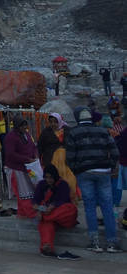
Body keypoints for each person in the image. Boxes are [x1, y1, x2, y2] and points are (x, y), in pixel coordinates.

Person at [65, 107, 123, 253]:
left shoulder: (73, 133)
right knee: (107, 206)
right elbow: (115, 152)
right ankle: (112, 243)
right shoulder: (103, 131)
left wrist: (76, 170)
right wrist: (110, 166)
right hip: (103, 171)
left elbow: (70, 157)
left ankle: (95, 242)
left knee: (90, 206)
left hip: (84, 172)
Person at [32, 165, 79, 259]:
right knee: (46, 224)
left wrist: (53, 206)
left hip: (61, 216)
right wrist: (38, 208)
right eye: (46, 177)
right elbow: (35, 201)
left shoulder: (63, 184)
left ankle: (45, 217)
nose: (48, 180)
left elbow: (64, 200)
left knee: (70, 208)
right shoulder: (41, 185)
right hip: (48, 215)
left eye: (50, 177)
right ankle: (47, 248)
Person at [3, 116, 40, 218]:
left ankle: (23, 213)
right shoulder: (10, 137)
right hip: (17, 168)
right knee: (24, 192)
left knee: (30, 190)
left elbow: (32, 146)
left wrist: (35, 155)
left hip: (27, 167)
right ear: (17, 126)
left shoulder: (26, 135)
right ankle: (28, 212)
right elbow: (10, 154)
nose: (24, 127)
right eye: (22, 126)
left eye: (25, 125)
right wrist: (27, 159)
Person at [37, 113, 77, 201]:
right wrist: (38, 159)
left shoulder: (67, 130)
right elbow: (40, 146)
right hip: (51, 160)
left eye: (55, 122)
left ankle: (69, 198)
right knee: (54, 179)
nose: (53, 124)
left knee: (69, 180)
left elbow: (73, 144)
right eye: (51, 122)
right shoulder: (46, 132)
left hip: (66, 161)